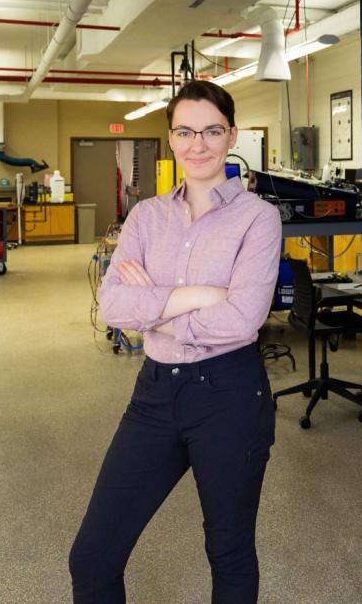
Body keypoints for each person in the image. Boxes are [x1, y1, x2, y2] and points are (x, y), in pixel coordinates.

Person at [69, 80, 282, 603]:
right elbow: (114, 306)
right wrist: (194, 295)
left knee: (228, 553)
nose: (198, 143)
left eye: (211, 130)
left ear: (230, 135)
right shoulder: (147, 216)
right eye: (186, 131)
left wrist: (155, 309)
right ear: (171, 139)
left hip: (229, 396)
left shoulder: (258, 217)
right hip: (154, 396)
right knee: (92, 556)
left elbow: (242, 319)